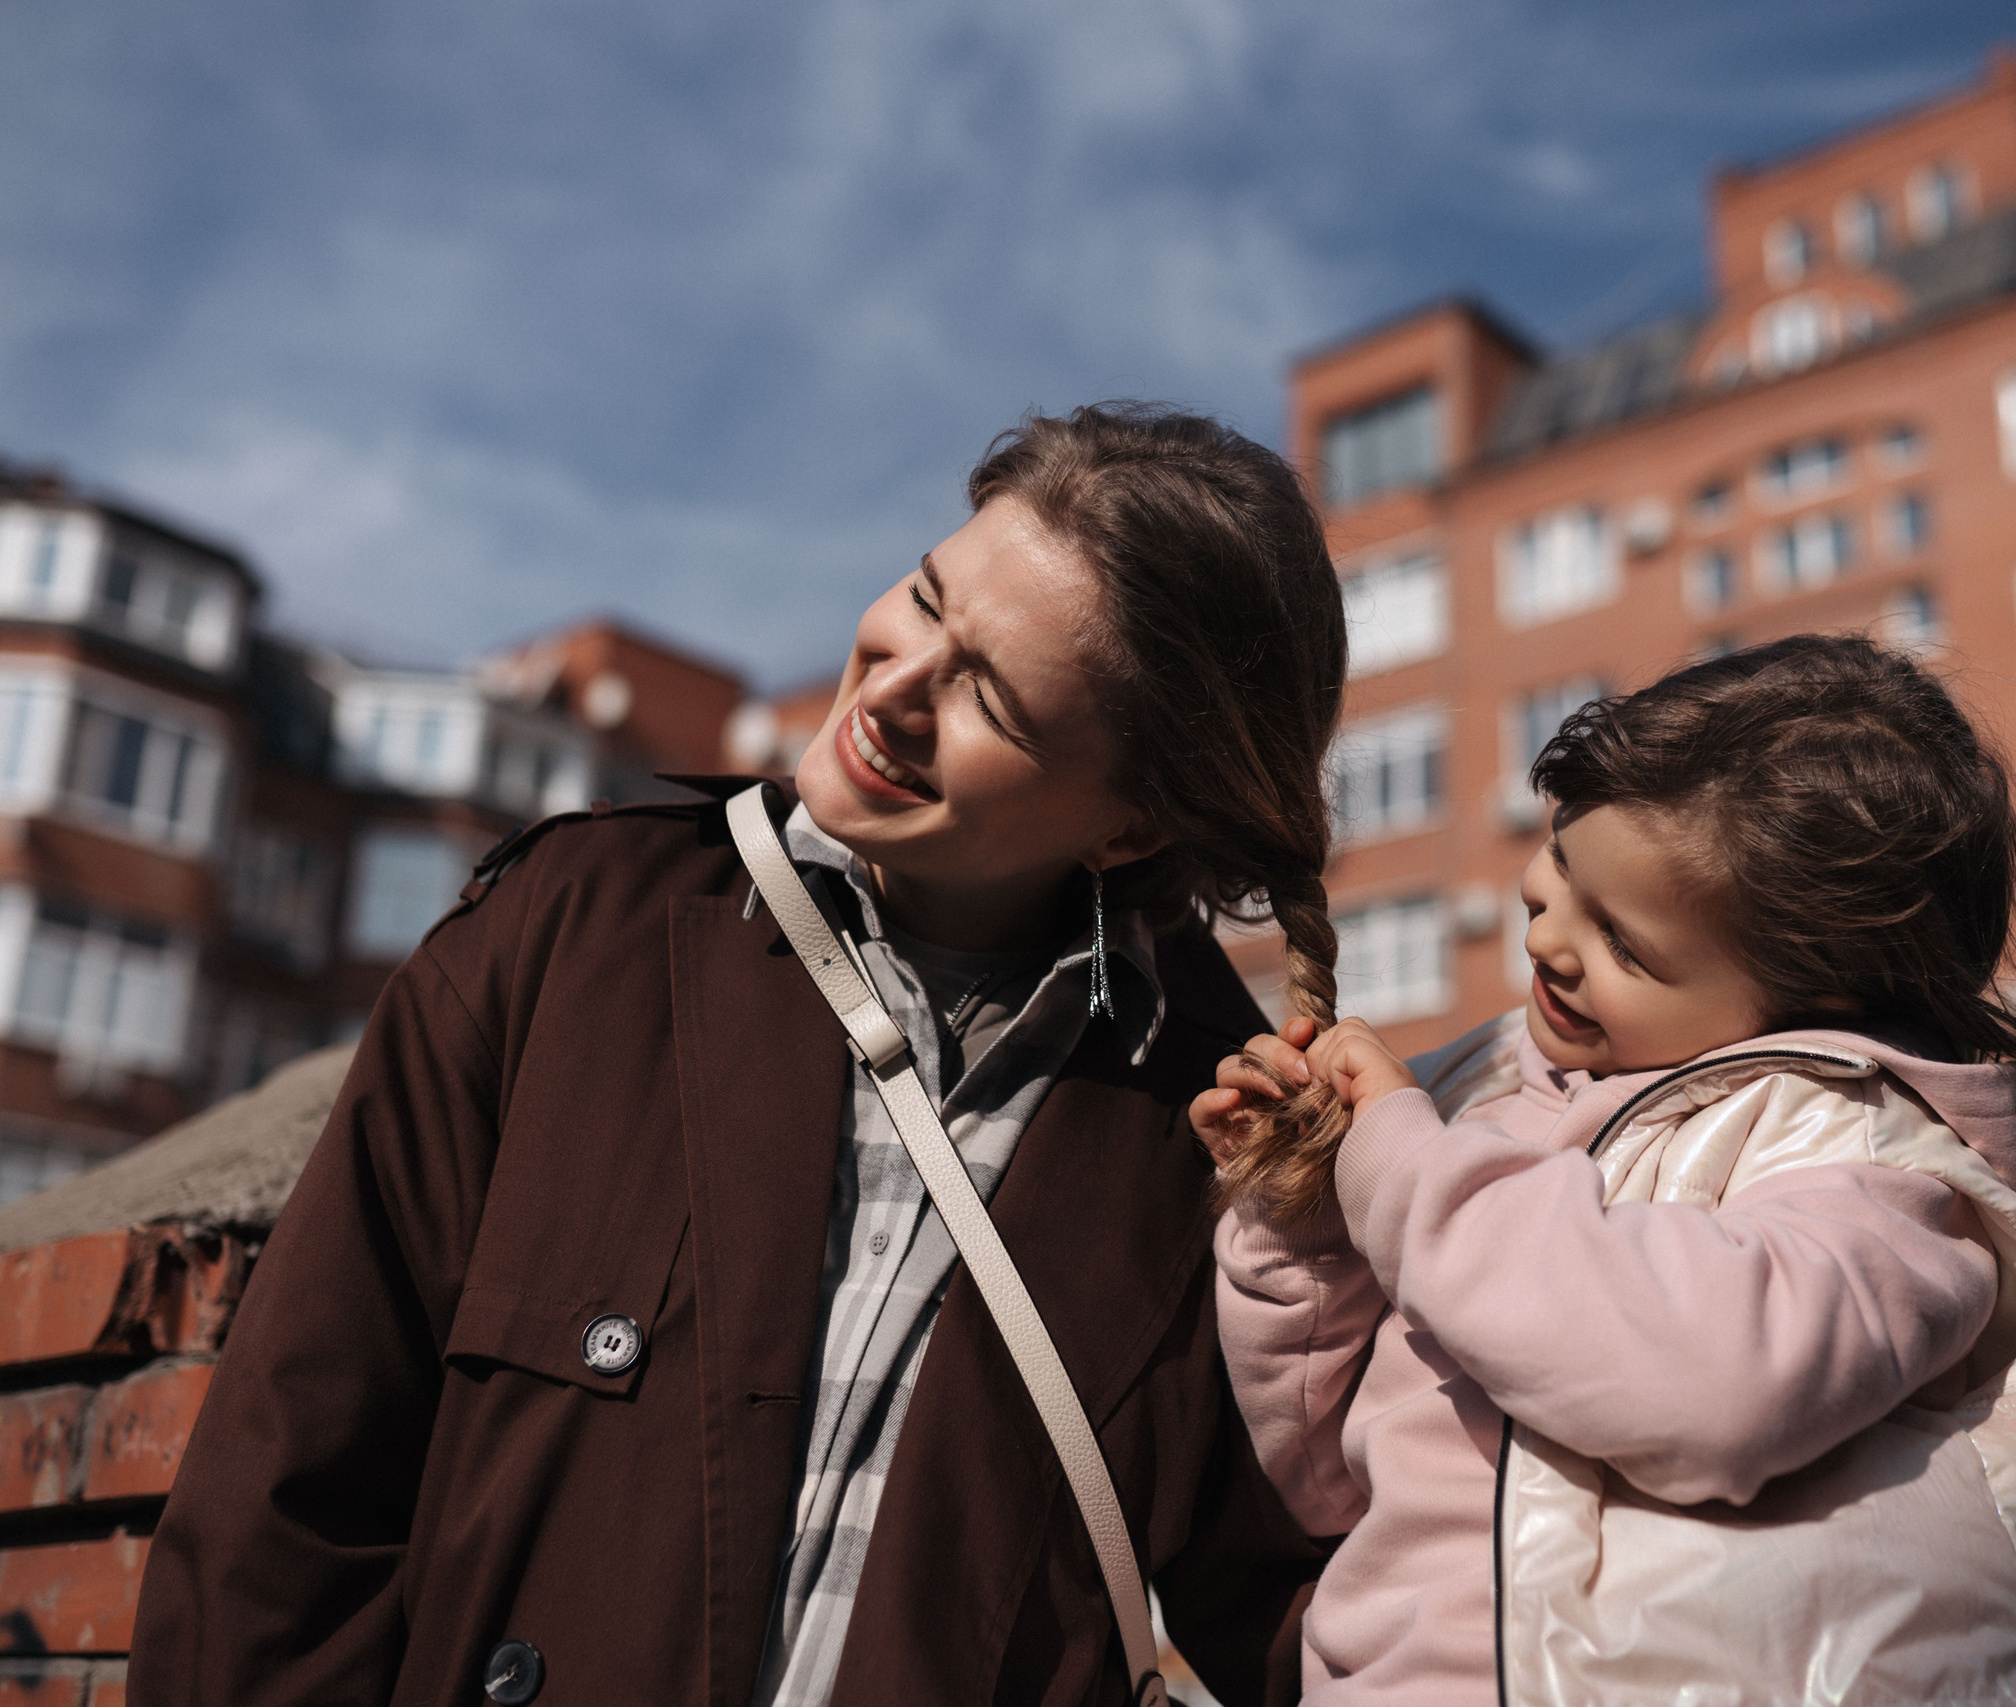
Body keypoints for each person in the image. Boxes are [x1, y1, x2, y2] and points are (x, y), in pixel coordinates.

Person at [128, 404, 1346, 1707]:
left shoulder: (1222, 1126)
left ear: (1129, 827)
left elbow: (1316, 1628)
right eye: (924, 599)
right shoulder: (570, 928)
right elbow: (282, 1502)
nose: (892, 688)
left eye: (988, 694)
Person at [1200, 636, 2016, 1705]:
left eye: (1624, 944)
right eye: (1560, 863)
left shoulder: (1877, 1167)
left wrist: (1401, 1173)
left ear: (1808, 996)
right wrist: (1300, 1216)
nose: (1550, 939)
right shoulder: (1470, 1094)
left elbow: (1717, 1383)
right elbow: (1324, 1482)